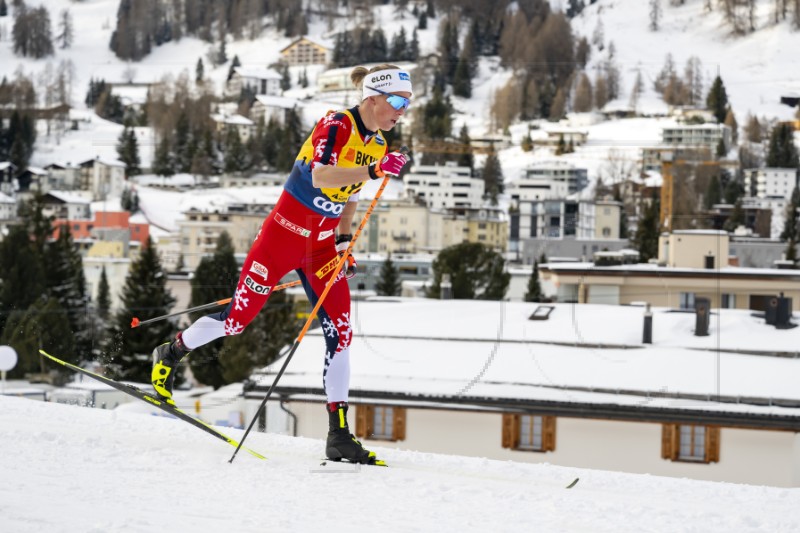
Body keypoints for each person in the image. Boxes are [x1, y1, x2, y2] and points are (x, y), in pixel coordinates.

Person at [150, 64, 412, 465]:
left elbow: (350, 196)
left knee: (341, 333)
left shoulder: (377, 143)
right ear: (372, 97)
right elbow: (323, 175)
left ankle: (338, 434)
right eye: (397, 101)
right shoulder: (336, 124)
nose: (402, 111)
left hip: (321, 248)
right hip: (282, 239)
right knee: (237, 321)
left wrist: (344, 241)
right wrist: (375, 169)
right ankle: (171, 351)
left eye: (407, 104)